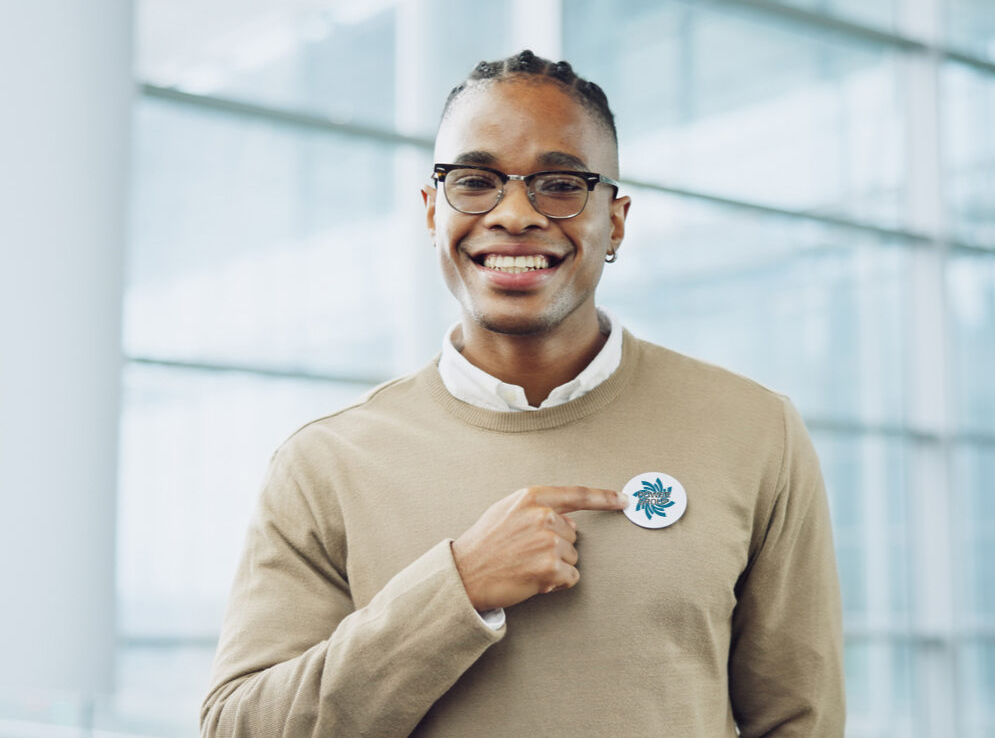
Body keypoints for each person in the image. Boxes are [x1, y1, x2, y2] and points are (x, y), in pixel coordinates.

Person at [201, 50, 845, 737]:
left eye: (559, 183)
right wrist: (455, 590)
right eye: (475, 181)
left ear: (616, 220)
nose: (513, 214)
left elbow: (798, 720)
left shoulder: (753, 431)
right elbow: (240, 728)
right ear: (431, 212)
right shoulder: (325, 463)